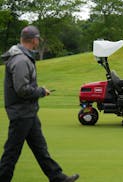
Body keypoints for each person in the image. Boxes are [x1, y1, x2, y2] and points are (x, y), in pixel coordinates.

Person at [0, 25, 79, 182]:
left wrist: (39, 91)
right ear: (34, 40)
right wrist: (41, 91)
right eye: (38, 39)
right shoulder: (21, 60)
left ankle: (57, 178)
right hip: (21, 113)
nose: (38, 42)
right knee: (11, 152)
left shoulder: (23, 57)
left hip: (28, 112)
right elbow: (22, 90)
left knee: (40, 149)